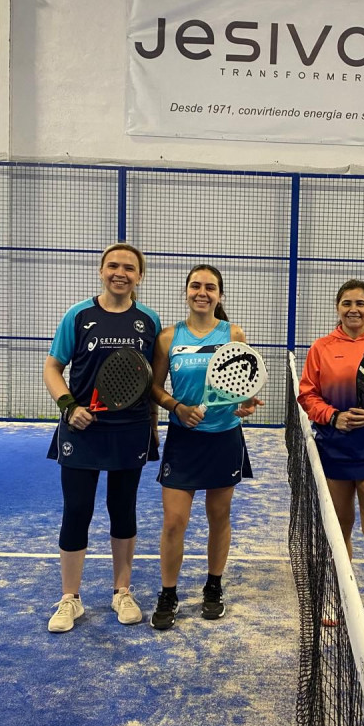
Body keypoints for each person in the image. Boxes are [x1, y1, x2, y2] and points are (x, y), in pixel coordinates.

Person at [43, 242, 160, 633]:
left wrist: (153, 426)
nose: (120, 273)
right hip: (82, 429)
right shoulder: (78, 315)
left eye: (129, 267)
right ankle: (70, 598)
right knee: (77, 510)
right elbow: (53, 367)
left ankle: (121, 592)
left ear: (139, 276)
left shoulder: (149, 320)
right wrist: (69, 406)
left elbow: (151, 380)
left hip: (130, 430)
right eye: (113, 266)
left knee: (122, 508)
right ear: (101, 270)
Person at [149, 264, 263, 631]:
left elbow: (243, 383)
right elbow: (154, 387)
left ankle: (213, 587)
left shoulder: (233, 333)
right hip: (183, 440)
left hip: (224, 437)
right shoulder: (169, 337)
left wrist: (245, 404)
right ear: (186, 292)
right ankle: (169, 593)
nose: (202, 292)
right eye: (196, 286)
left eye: (210, 287)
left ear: (219, 295)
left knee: (219, 516)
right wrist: (176, 408)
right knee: (174, 522)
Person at [297, 280, 364, 642]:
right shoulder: (322, 348)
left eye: (360, 303)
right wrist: (333, 416)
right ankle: (340, 594)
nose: (353, 309)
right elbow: (308, 394)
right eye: (347, 303)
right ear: (337, 307)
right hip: (333, 450)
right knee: (338, 528)